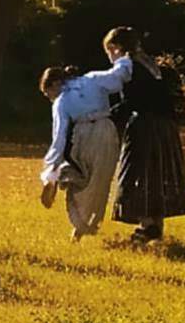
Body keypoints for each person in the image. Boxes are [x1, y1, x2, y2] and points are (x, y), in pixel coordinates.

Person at [105, 27, 185, 244]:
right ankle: (155, 225)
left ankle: (146, 224)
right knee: (158, 175)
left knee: (138, 175)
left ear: (116, 48)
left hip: (144, 126)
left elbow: (132, 102)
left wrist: (104, 117)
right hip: (166, 129)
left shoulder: (130, 68)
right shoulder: (157, 66)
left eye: (109, 51)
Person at [38, 54, 132, 239]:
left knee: (81, 177)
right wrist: (124, 58)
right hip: (106, 130)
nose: (49, 97)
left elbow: (60, 137)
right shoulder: (92, 79)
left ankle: (58, 177)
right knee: (100, 181)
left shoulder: (61, 102)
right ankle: (86, 223)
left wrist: (51, 165)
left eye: (47, 93)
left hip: (84, 135)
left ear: (55, 84)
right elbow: (117, 77)